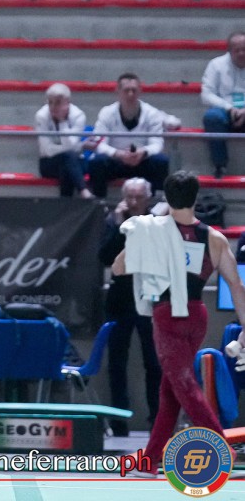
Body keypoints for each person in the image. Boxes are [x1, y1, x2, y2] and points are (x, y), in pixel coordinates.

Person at [112, 172, 245, 472]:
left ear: (166, 198)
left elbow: (118, 268)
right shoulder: (214, 238)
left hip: (168, 314)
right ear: (196, 198)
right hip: (196, 315)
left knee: (183, 383)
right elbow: (236, 286)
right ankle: (149, 461)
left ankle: (221, 445)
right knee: (170, 390)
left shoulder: (152, 232)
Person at [97, 177, 161, 438]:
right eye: (130, 197)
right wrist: (117, 224)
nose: (134, 202)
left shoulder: (157, 221)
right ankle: (119, 421)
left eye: (139, 197)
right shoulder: (114, 221)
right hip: (120, 297)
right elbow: (104, 256)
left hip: (149, 295)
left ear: (148, 198)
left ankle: (157, 419)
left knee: (154, 362)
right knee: (116, 363)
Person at [89, 74, 175, 198]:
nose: (130, 94)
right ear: (118, 91)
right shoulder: (106, 112)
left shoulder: (152, 113)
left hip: (142, 161)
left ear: (140, 91)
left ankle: (156, 204)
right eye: (126, 90)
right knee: (97, 162)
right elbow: (99, 144)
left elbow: (157, 144)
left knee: (161, 162)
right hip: (117, 161)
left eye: (134, 90)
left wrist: (143, 152)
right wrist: (118, 154)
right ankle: (99, 203)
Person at [35, 83, 94, 198]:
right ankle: (84, 192)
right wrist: (80, 146)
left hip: (74, 162)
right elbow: (47, 150)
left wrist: (62, 122)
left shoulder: (78, 116)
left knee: (67, 165)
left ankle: (65, 206)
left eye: (57, 102)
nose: (53, 107)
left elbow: (71, 147)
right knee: (68, 158)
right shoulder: (41, 116)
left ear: (67, 102)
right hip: (49, 163)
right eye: (50, 102)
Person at [201, 31, 245, 179]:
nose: (241, 54)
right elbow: (206, 95)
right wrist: (229, 108)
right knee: (211, 117)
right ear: (229, 50)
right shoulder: (216, 65)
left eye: (244, 49)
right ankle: (220, 165)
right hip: (225, 111)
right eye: (237, 50)